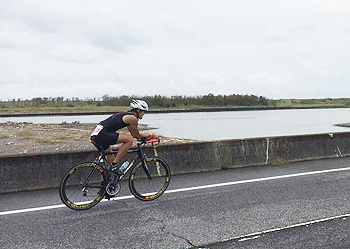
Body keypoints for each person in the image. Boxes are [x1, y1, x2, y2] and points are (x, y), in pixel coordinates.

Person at [90, 100, 159, 174]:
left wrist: (143, 136)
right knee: (129, 139)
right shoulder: (132, 118)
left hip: (96, 135)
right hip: (102, 134)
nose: (144, 114)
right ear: (138, 110)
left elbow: (134, 133)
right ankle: (114, 164)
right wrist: (151, 135)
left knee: (110, 158)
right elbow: (136, 135)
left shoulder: (126, 115)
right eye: (144, 111)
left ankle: (107, 182)